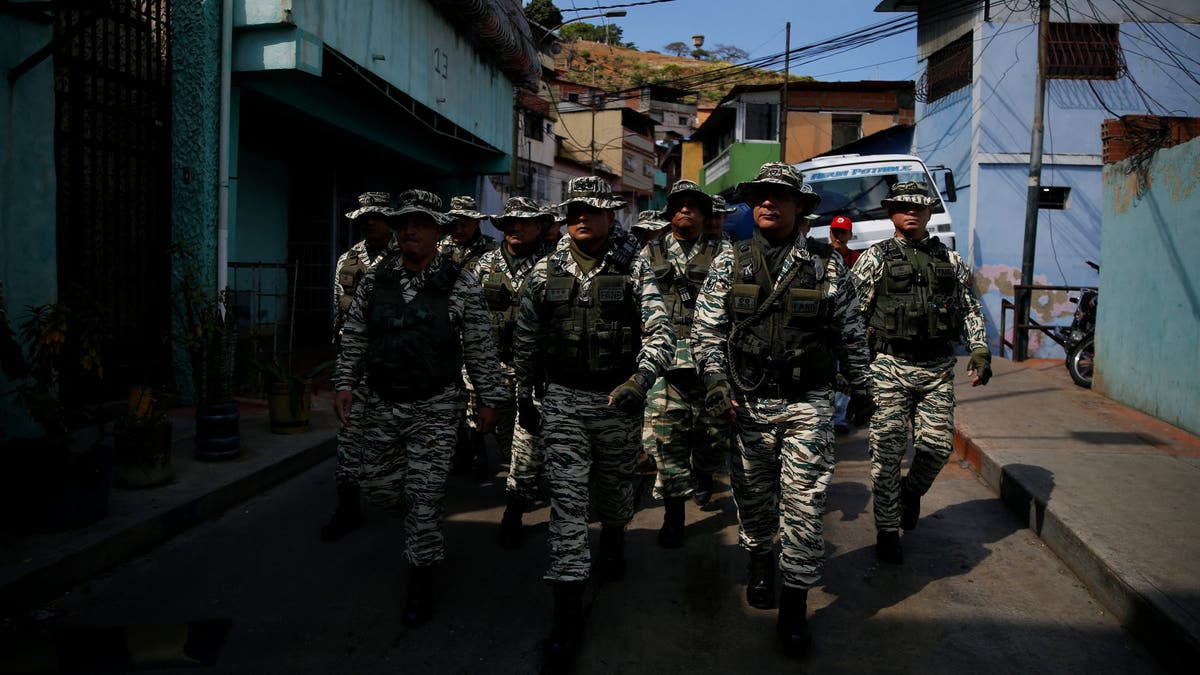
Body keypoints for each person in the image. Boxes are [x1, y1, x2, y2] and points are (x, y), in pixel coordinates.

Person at [691, 162, 873, 659]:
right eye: (761, 197)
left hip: (807, 403)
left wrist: (861, 386)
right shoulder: (731, 261)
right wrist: (713, 380)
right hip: (747, 401)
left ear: (799, 207)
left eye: (779, 196)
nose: (768, 203)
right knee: (752, 497)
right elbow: (706, 331)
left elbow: (850, 332)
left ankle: (795, 606)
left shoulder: (826, 263)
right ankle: (758, 558)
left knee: (806, 504)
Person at [512, 176, 674, 673]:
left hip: (616, 401)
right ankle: (566, 616)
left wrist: (639, 382)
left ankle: (617, 538)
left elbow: (661, 334)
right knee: (567, 504)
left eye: (593, 210)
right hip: (562, 399)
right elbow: (525, 337)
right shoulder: (544, 271)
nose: (582, 217)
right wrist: (525, 396)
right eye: (574, 211)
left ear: (610, 217)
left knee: (615, 493)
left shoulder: (634, 270)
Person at [333, 189, 506, 629]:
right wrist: (345, 382)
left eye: (421, 222)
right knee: (375, 485)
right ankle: (419, 519)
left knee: (425, 499)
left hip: (436, 406)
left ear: (438, 231)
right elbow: (355, 333)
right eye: (404, 222)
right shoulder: (377, 277)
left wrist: (488, 399)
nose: (410, 229)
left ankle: (421, 579)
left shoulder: (460, 283)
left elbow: (480, 349)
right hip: (382, 402)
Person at [849, 181, 990, 565]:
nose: (910, 213)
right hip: (889, 367)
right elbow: (852, 318)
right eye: (902, 207)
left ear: (929, 213)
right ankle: (887, 529)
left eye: (918, 208)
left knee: (936, 448)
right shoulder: (874, 258)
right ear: (891, 212)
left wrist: (979, 347)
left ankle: (911, 493)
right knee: (887, 452)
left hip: (937, 370)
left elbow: (969, 308)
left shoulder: (951, 261)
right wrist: (852, 372)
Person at [641, 180, 731, 548]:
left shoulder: (725, 252)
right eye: (679, 205)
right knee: (667, 440)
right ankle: (674, 515)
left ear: (705, 213)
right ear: (670, 211)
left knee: (712, 440)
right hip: (665, 364)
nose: (686, 211)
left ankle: (705, 473)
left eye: (694, 205)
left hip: (710, 361)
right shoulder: (649, 253)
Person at [478, 196, 554, 548]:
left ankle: (515, 507)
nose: (515, 227)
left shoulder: (553, 266)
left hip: (534, 371)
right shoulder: (484, 265)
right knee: (504, 436)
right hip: (491, 367)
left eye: (523, 222)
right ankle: (525, 478)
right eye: (509, 222)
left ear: (539, 226)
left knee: (528, 439)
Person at [322, 191, 397, 542]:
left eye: (378, 216)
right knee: (350, 438)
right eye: (366, 217)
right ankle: (347, 506)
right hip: (357, 366)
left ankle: (403, 498)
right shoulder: (347, 260)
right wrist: (344, 372)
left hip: (397, 369)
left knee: (396, 440)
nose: (371, 221)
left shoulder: (409, 258)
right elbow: (340, 313)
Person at [439, 195, 500, 475]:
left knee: (476, 396)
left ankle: (478, 449)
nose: (459, 228)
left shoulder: (491, 252)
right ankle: (459, 447)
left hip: (479, 334)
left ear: (477, 222)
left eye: (465, 223)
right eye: (455, 222)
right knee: (451, 399)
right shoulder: (439, 250)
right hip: (448, 336)